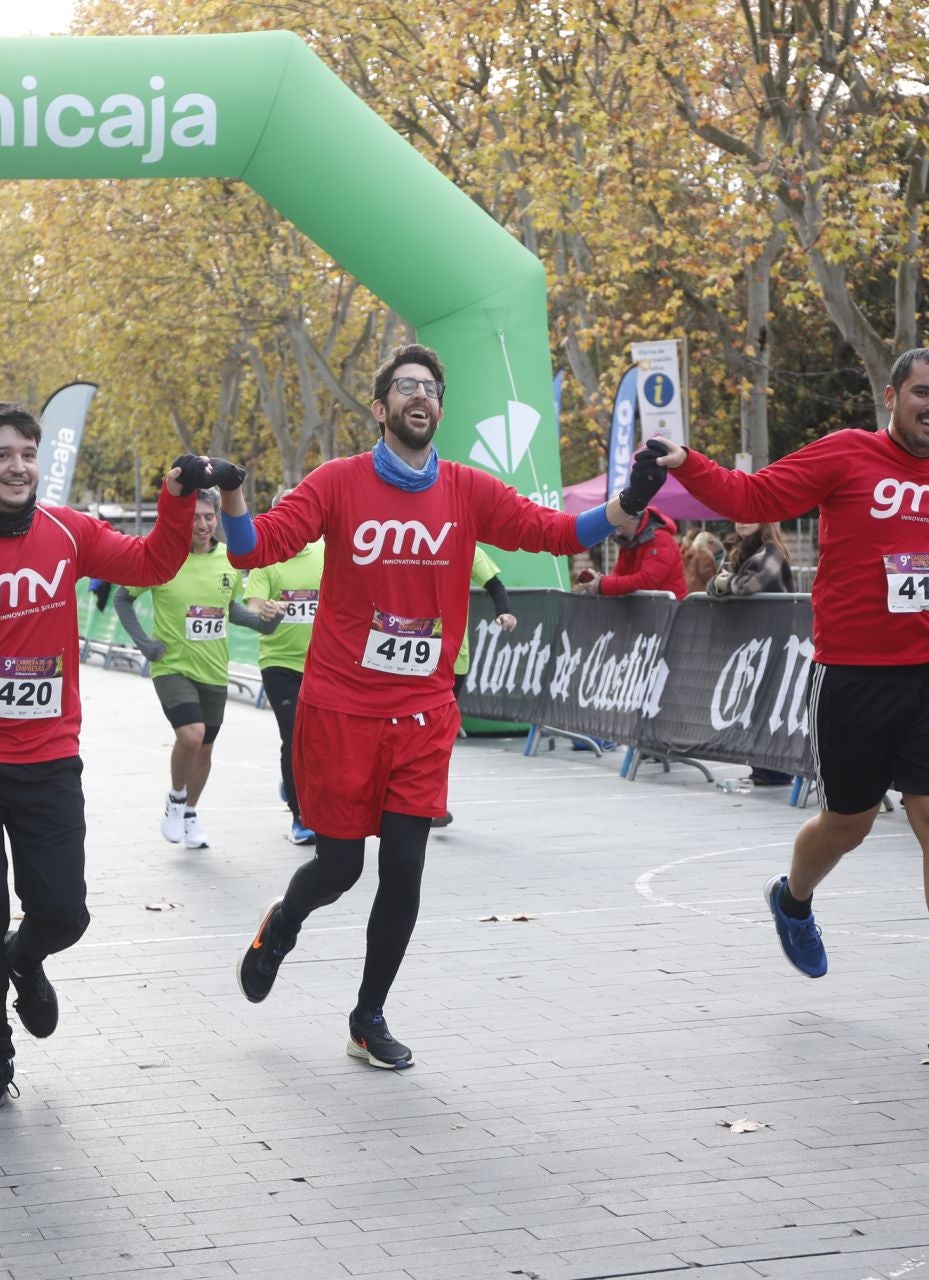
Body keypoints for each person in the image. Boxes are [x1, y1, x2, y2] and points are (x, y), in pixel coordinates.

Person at [222, 343, 666, 1069]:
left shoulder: (465, 488)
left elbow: (552, 532)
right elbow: (252, 550)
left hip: (423, 713)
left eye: (431, 386)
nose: (420, 395)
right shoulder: (337, 483)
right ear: (380, 407)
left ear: (440, 405)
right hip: (340, 710)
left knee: (404, 868)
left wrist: (630, 501)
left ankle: (368, 1017)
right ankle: (283, 925)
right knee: (338, 870)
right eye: (405, 386)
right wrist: (233, 497)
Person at [643, 345, 929, 1051]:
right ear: (892, 396)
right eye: (923, 393)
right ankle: (792, 897)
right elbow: (754, 498)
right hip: (855, 674)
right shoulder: (845, 454)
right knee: (848, 824)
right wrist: (687, 462)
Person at [0, 399, 217, 1112]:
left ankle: (29, 955)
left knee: (64, 913)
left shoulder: (67, 530)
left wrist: (173, 502)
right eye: (1, 454)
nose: (18, 466)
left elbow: (151, 563)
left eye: (28, 452)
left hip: (47, 756)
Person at [112, 488, 268, 850]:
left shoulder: (229, 560)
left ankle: (191, 812)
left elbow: (234, 610)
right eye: (194, 516)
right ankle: (176, 797)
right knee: (191, 735)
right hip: (172, 666)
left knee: (205, 750)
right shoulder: (163, 558)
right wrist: (143, 643)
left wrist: (265, 622)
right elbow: (123, 597)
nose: (201, 524)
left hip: (213, 669)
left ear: (217, 518)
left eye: (208, 517)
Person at [241, 488, 325, 845]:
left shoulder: (326, 551)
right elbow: (254, 604)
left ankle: (298, 787)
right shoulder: (267, 560)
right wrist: (266, 610)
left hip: (323, 664)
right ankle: (300, 817)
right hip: (279, 664)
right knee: (294, 738)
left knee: (321, 743)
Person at [434, 544, 517, 828]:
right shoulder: (404, 539)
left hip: (453, 660)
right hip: (410, 658)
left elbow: (494, 583)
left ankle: (434, 803)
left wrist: (503, 611)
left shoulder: (464, 545)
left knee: (439, 735)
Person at [711, 521, 797, 787]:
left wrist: (726, 582)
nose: (743, 522)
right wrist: (724, 582)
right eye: (739, 516)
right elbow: (712, 586)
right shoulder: (734, 550)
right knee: (754, 703)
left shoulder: (772, 551)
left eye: (751, 516)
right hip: (749, 641)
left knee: (770, 703)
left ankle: (776, 770)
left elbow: (749, 586)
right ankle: (761, 768)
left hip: (775, 639)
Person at [572, 504, 687, 599]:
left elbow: (648, 580)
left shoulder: (661, 539)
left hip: (668, 613)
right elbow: (620, 572)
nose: (614, 524)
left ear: (632, 519)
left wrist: (603, 585)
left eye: (617, 519)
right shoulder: (628, 541)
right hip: (653, 610)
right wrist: (600, 581)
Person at [681, 530, 725, 596]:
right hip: (701, 592)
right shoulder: (704, 554)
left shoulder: (690, 553)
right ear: (710, 542)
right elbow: (707, 575)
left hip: (689, 591)